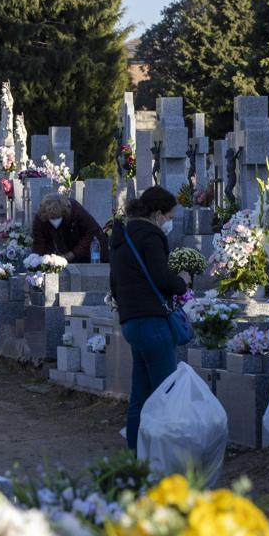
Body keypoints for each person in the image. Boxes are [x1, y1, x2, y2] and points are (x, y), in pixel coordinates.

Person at [109, 185, 187, 451]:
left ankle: (136, 454)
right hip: (152, 321)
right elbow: (161, 277)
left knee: (140, 396)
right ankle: (165, 455)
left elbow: (115, 281)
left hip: (131, 321)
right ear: (157, 214)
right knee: (166, 393)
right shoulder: (150, 236)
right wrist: (182, 282)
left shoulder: (123, 235)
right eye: (170, 216)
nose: (170, 222)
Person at [31, 193, 108, 263]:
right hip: (65, 250)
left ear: (64, 212)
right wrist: (38, 261)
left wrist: (74, 253)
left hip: (89, 253)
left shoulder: (75, 210)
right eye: (51, 218)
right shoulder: (41, 216)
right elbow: (39, 242)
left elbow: (91, 232)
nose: (54, 220)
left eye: (57, 217)